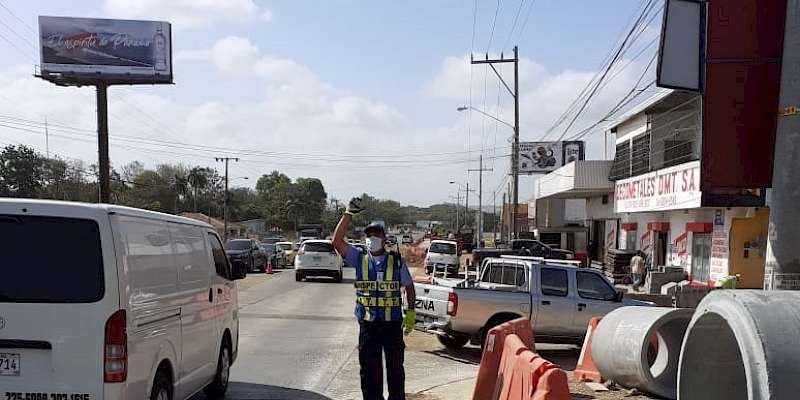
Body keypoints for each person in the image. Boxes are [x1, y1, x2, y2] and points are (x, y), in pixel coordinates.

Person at [332, 197, 416, 400]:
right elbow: (336, 241)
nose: (372, 238)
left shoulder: (396, 262)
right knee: (370, 372)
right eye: (369, 235)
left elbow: (409, 287)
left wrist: (411, 312)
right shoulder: (358, 259)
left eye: (376, 234)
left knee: (395, 370)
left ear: (384, 238)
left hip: (392, 324)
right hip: (368, 325)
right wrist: (348, 213)